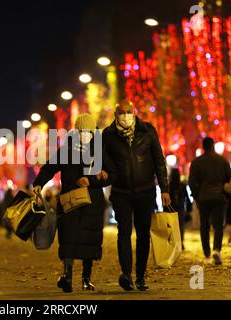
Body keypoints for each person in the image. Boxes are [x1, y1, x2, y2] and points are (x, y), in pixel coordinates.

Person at [33, 113, 117, 293]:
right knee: (68, 239)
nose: (84, 134)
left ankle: (86, 280)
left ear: (94, 131)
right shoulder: (66, 150)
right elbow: (50, 167)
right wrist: (38, 183)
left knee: (90, 241)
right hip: (69, 201)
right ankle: (67, 276)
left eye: (88, 131)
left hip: (92, 203)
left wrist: (93, 181)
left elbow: (112, 174)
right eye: (81, 131)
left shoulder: (101, 151)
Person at [103, 100, 170, 291]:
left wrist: (164, 189)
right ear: (115, 115)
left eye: (128, 112)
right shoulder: (108, 135)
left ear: (134, 112)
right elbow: (103, 161)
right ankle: (126, 274)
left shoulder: (148, 131)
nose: (125, 115)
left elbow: (159, 160)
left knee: (143, 234)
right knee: (124, 232)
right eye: (122, 112)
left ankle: (140, 276)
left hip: (145, 191)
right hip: (121, 192)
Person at [189, 137, 231, 265]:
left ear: (203, 147)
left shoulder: (197, 162)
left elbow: (192, 182)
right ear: (213, 146)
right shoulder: (223, 161)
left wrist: (196, 195)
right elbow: (229, 179)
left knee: (204, 225)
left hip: (203, 197)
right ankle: (217, 250)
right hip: (219, 197)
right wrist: (226, 195)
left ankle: (206, 253)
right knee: (218, 225)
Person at [169, 168, 192, 250]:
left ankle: (173, 243)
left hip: (170, 210)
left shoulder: (169, 185)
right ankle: (180, 242)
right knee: (180, 227)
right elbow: (187, 198)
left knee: (171, 227)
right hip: (180, 209)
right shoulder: (182, 185)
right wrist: (189, 208)